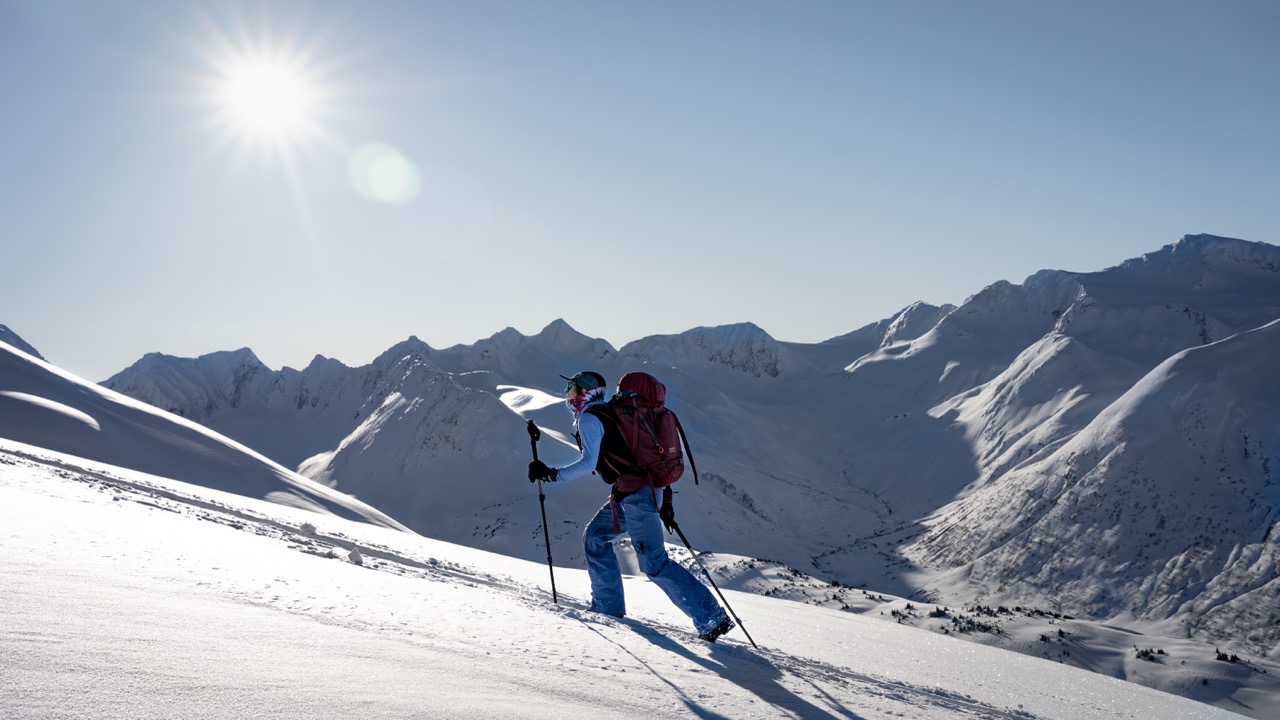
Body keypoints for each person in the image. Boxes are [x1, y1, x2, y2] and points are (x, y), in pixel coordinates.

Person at [528, 370, 734, 643]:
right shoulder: (608, 412)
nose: (566, 391)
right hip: (631, 495)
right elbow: (640, 456)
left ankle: (711, 617)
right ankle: (608, 608)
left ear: (583, 392)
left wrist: (551, 474)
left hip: (637, 498)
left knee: (654, 563)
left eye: (570, 386)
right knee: (595, 538)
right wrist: (664, 499)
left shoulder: (591, 418)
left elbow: (589, 463)